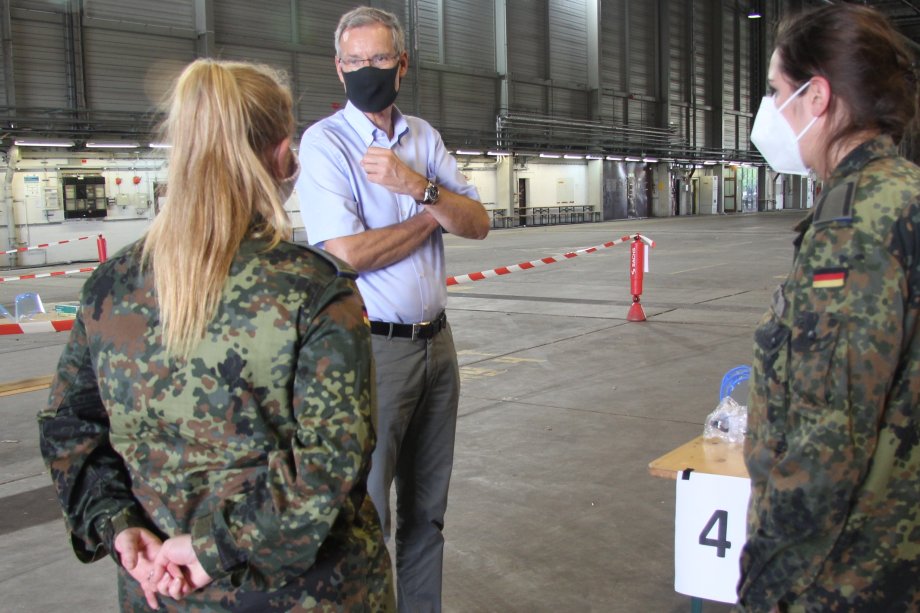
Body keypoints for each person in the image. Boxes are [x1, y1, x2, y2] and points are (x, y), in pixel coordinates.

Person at [37, 58, 394, 611]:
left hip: (159, 590)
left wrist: (118, 527)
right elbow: (331, 463)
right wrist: (211, 549)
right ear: (283, 158)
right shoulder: (313, 290)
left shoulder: (110, 288)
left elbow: (69, 427)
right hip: (306, 595)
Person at [296, 6, 490, 611]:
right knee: (370, 515)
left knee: (427, 514)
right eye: (354, 61)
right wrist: (434, 218)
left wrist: (417, 188)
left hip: (438, 346)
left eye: (378, 59)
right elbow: (347, 254)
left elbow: (479, 222)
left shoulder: (423, 139)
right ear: (338, 68)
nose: (366, 71)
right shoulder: (326, 144)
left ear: (401, 65)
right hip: (375, 351)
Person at [739, 4, 920, 611]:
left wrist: (765, 578)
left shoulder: (854, 223)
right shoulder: (906, 195)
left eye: (775, 90)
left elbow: (827, 437)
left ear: (816, 97)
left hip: (846, 572)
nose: (768, 110)